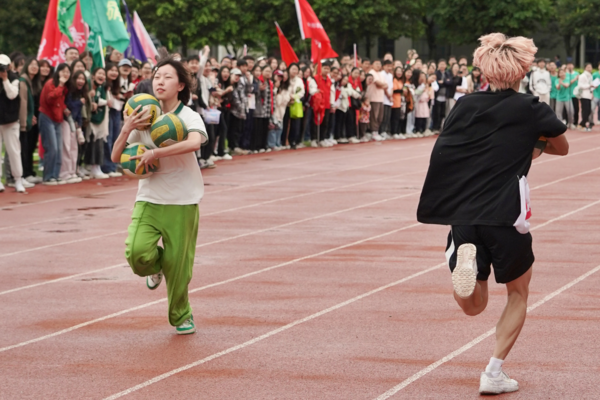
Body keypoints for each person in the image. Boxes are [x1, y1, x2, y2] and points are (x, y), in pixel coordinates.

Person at [417, 33, 569, 395]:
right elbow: (561, 147)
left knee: (474, 306)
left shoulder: (465, 105)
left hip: (465, 212)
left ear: (484, 68)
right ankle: (494, 372)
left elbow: (448, 150)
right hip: (505, 215)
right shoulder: (531, 107)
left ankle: (463, 264)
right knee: (518, 293)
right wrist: (528, 143)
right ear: (523, 71)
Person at [111, 57, 208, 335]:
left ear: (180, 85)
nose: (159, 81)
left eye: (166, 77)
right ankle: (156, 267)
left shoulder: (188, 116)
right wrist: (128, 127)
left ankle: (181, 315)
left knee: (180, 268)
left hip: (182, 200)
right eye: (156, 77)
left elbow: (194, 142)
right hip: (150, 199)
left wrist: (156, 152)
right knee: (136, 253)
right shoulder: (142, 118)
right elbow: (116, 156)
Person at [0, 54, 29, 192]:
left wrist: (5, 79)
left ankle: (18, 179)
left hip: (11, 121)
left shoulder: (14, 79)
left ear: (9, 66)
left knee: (14, 151)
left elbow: (12, 95)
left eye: (4, 66)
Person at [38, 63, 71, 186]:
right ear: (57, 72)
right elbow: (50, 98)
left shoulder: (65, 87)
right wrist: (61, 85)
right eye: (63, 71)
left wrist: (64, 108)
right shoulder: (51, 83)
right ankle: (48, 176)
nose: (65, 74)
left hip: (58, 118)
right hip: (47, 117)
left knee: (58, 149)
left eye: (68, 72)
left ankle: (55, 175)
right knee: (52, 148)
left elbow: (59, 102)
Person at [19, 58, 42, 184]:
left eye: (36, 65)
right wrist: (27, 118)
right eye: (32, 64)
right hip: (25, 120)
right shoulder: (23, 81)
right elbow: (23, 102)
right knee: (24, 147)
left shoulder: (34, 83)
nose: (34, 67)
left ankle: (29, 172)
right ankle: (23, 174)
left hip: (33, 119)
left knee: (30, 146)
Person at [87, 67, 110, 179]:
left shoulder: (102, 88)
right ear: (93, 76)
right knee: (91, 143)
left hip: (101, 119)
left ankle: (97, 166)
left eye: (103, 74)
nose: (102, 76)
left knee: (99, 142)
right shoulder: (90, 88)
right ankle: (90, 167)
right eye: (99, 73)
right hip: (91, 121)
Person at [366, 59, 386, 141]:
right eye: (376, 63)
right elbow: (379, 84)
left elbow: (385, 85)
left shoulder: (380, 74)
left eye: (379, 64)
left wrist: (382, 85)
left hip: (381, 98)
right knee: (374, 116)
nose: (378, 65)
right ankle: (373, 131)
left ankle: (376, 131)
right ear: (372, 65)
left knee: (380, 117)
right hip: (373, 98)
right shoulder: (372, 72)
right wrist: (382, 85)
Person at [432, 59, 447, 132]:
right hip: (437, 96)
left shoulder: (447, 73)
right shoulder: (436, 73)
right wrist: (444, 82)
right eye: (440, 64)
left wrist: (443, 82)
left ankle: (440, 127)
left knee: (442, 113)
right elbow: (437, 82)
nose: (442, 66)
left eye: (443, 64)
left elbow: (450, 82)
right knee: (436, 113)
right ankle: (435, 127)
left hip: (445, 96)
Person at [380, 60, 394, 139]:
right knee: (383, 116)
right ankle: (381, 131)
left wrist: (391, 95)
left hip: (389, 99)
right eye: (387, 66)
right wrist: (388, 96)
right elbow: (385, 87)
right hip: (384, 98)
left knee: (388, 116)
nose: (389, 68)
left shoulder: (390, 75)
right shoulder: (382, 74)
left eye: (390, 66)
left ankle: (385, 130)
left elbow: (391, 86)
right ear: (384, 66)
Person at [577, 63, 593, 131]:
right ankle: (582, 125)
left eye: (590, 67)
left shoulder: (590, 76)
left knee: (588, 110)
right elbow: (580, 85)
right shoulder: (582, 76)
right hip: (583, 95)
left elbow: (591, 85)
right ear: (585, 68)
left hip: (589, 95)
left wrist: (592, 90)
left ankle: (582, 124)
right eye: (588, 67)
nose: (589, 68)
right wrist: (589, 86)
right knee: (585, 111)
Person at [391, 66, 405, 139]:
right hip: (394, 102)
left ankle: (398, 131)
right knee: (394, 118)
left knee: (399, 118)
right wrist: (402, 90)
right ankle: (394, 132)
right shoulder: (394, 80)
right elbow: (394, 90)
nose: (399, 73)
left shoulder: (400, 81)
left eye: (400, 71)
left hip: (400, 102)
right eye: (398, 71)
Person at [565, 60, 579, 126]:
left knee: (576, 108)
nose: (570, 66)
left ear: (573, 66)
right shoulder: (565, 74)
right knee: (568, 110)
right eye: (568, 65)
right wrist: (575, 79)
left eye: (571, 64)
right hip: (567, 94)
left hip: (575, 94)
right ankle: (568, 122)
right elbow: (568, 83)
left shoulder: (576, 73)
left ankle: (575, 122)